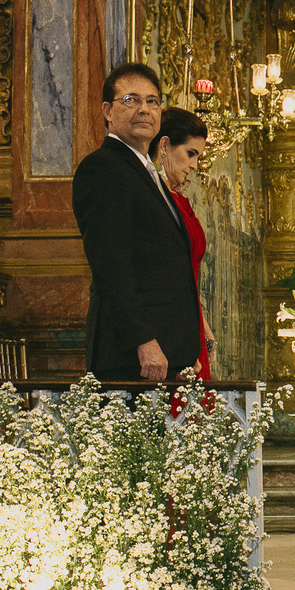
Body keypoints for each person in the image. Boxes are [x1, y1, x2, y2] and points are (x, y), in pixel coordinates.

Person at [73, 63, 200, 382]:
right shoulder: (102, 168)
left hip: (166, 356)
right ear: (107, 111)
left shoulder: (146, 172)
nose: (144, 108)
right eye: (130, 99)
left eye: (152, 101)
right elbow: (112, 265)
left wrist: (187, 349)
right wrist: (144, 342)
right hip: (132, 358)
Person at [149, 108, 215, 379]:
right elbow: (158, 278)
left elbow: (187, 277)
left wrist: (203, 327)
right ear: (164, 145)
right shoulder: (154, 200)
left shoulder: (179, 203)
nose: (195, 165)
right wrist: (180, 344)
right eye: (191, 153)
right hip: (170, 331)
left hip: (191, 326)